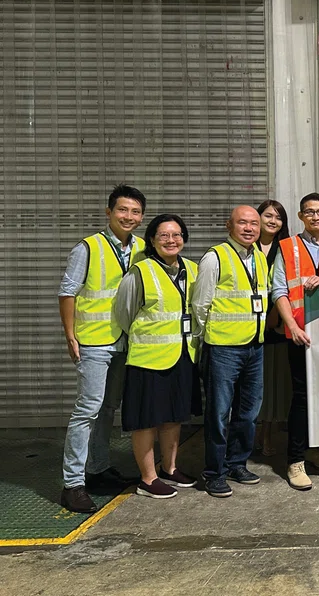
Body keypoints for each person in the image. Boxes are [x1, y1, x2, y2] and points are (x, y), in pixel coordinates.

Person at [58, 184, 146, 513]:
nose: (129, 216)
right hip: (94, 341)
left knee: (109, 408)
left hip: (126, 340)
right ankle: (72, 484)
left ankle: (97, 469)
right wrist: (70, 335)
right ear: (109, 212)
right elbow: (67, 292)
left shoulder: (141, 248)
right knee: (87, 410)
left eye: (135, 212)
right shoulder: (88, 247)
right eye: (123, 210)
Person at [113, 214, 201, 499]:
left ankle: (170, 468)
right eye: (164, 235)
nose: (171, 240)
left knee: (174, 416)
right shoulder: (141, 271)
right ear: (151, 239)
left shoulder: (193, 269)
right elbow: (124, 313)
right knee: (146, 420)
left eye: (176, 235)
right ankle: (147, 479)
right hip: (148, 358)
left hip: (182, 354)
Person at [192, 205, 270, 498]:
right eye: (242, 223)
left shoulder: (258, 257)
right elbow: (201, 304)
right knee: (219, 413)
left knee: (248, 412)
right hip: (224, 348)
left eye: (254, 223)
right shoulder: (215, 257)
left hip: (254, 345)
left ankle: (237, 463)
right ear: (229, 225)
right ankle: (214, 472)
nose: (249, 228)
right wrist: (211, 337)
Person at [272, 193, 319, 490]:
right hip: (300, 334)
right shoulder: (287, 247)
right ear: (301, 216)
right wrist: (292, 326)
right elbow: (279, 290)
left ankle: (314, 449)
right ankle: (295, 461)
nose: (315, 217)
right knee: (302, 397)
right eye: (309, 212)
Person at [256, 199, 292, 458]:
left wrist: (278, 316)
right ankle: (258, 434)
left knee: (276, 383)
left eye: (278, 217)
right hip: (249, 326)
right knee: (258, 385)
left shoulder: (287, 248)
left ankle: (271, 434)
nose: (273, 221)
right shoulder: (247, 247)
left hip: (278, 324)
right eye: (268, 215)